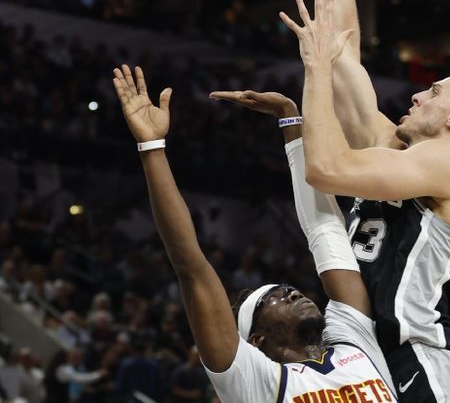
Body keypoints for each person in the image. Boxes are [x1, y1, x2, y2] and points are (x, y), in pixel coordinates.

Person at [278, 0, 450, 402]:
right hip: (365, 356)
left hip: (418, 360)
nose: (417, 96)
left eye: (434, 91)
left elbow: (326, 168)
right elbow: (344, 49)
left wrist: (314, 68)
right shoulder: (396, 152)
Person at [112, 64, 397, 402]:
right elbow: (191, 265)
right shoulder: (255, 381)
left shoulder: (354, 340)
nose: (291, 293)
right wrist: (152, 147)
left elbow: (325, 230)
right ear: (256, 339)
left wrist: (290, 118)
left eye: (287, 289)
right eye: (272, 298)